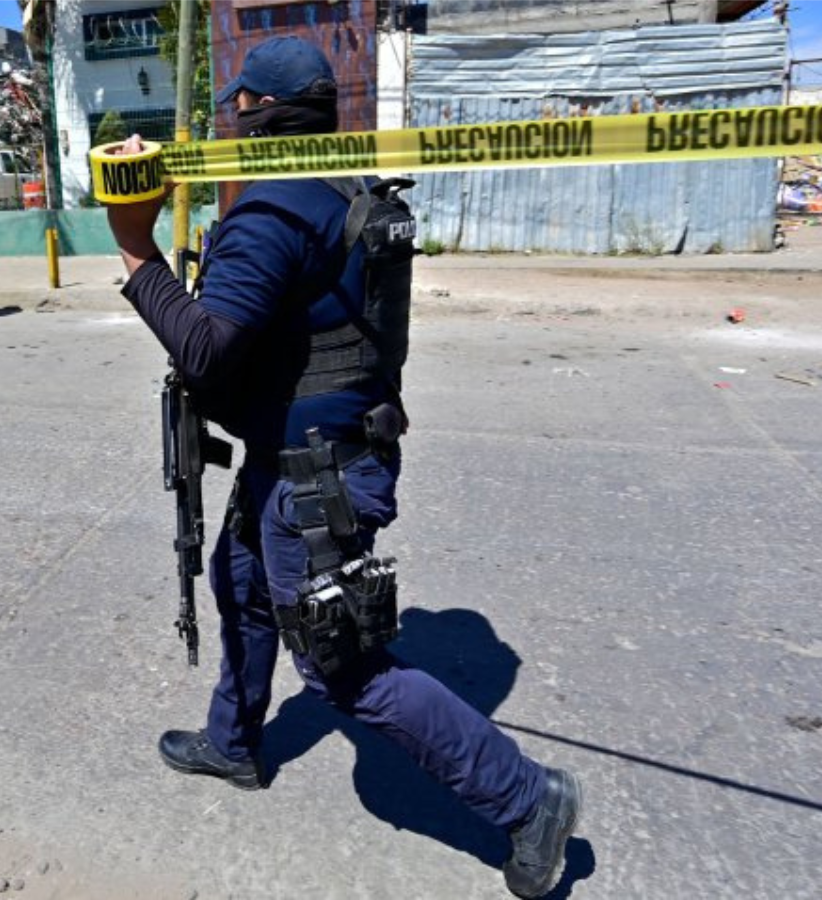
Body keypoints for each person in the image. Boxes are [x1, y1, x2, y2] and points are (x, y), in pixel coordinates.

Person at [104, 37, 583, 899]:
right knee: (242, 585)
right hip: (315, 451)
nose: (231, 122)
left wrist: (136, 248)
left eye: (235, 109)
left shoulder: (273, 210)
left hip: (314, 474)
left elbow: (206, 349)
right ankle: (235, 742)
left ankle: (525, 800)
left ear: (255, 112)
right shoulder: (346, 183)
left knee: (342, 667)